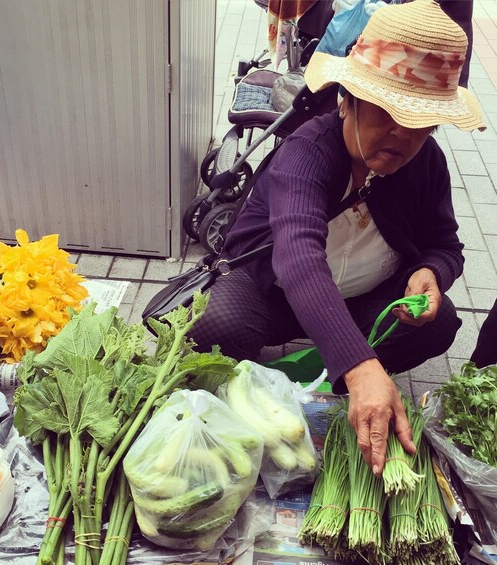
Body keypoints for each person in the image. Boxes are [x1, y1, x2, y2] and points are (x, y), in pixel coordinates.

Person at [190, 0, 485, 476]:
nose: (402, 134)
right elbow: (299, 258)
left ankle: (339, 383)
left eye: (420, 121)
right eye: (387, 111)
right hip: (275, 293)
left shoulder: (427, 163)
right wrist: (360, 364)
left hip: (364, 300)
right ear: (348, 99)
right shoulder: (306, 151)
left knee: (440, 322)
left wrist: (431, 271)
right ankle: (340, 369)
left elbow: (445, 245)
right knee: (215, 325)